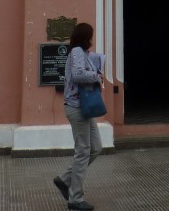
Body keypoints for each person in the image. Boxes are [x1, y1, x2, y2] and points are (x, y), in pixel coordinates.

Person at [53, 22, 103, 211]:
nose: (92, 38)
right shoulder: (76, 52)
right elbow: (79, 75)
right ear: (85, 37)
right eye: (90, 35)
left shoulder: (82, 54)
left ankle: (64, 180)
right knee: (83, 151)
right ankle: (75, 199)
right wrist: (96, 76)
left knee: (95, 148)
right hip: (77, 107)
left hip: (85, 108)